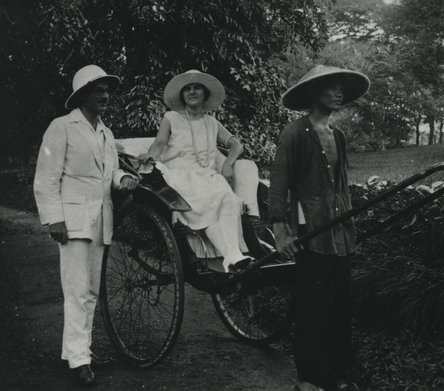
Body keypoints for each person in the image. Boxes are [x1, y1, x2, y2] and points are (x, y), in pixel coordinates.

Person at [33, 65, 138, 386]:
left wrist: (124, 178)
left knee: (91, 291)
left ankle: (80, 351)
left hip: (101, 220)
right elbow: (46, 177)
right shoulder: (62, 127)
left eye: (107, 90)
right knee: (76, 289)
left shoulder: (105, 132)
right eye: (98, 91)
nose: (105, 96)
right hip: (74, 219)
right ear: (82, 96)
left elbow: (110, 173)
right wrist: (55, 218)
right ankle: (79, 359)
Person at [269, 65, 370, 391]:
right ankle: (308, 378)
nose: (338, 93)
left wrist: (350, 226)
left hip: (338, 233)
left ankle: (337, 375)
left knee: (341, 306)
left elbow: (340, 188)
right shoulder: (294, 134)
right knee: (312, 308)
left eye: (341, 88)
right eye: (332, 88)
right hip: (309, 234)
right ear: (314, 93)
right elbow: (279, 184)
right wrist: (281, 231)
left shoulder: (338, 136)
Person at [138, 70, 252, 272]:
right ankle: (231, 255)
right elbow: (159, 144)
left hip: (208, 175)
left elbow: (237, 145)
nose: (192, 92)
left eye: (196, 88)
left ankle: (232, 255)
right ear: (182, 95)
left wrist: (227, 164)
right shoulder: (171, 118)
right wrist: (151, 157)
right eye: (187, 89)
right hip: (181, 175)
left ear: (205, 93)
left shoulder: (211, 122)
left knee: (229, 200)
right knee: (207, 203)